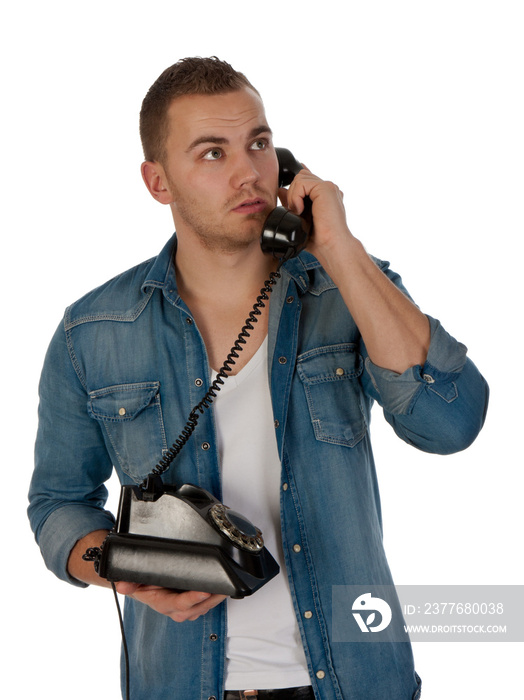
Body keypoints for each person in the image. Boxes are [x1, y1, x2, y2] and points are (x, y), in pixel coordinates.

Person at [28, 57, 489, 700]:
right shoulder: (92, 332)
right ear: (157, 182)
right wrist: (122, 570)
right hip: (181, 684)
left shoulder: (348, 288)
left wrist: (339, 248)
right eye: (212, 153)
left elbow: (451, 421)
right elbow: (58, 502)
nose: (248, 172)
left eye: (260, 143)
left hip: (354, 682)